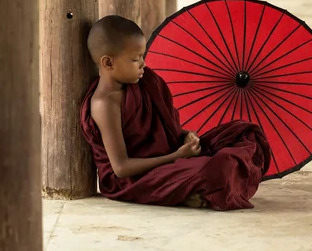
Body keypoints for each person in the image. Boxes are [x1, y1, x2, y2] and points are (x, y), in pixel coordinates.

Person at [80, 15, 271, 210]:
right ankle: (187, 190)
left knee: (246, 132)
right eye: (136, 59)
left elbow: (165, 130)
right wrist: (176, 157)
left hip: (170, 157)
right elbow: (121, 168)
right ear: (108, 63)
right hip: (135, 179)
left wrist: (186, 135)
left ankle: (188, 189)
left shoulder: (147, 82)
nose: (143, 64)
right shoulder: (104, 104)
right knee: (219, 168)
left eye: (143, 56)